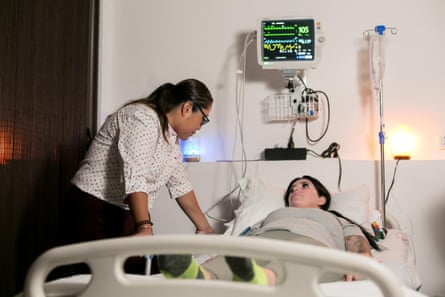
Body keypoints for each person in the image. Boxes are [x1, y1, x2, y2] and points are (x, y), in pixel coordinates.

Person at [59, 78, 215, 274]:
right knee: (103, 280)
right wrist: (144, 226)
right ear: (187, 108)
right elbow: (135, 175)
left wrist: (205, 229)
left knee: (140, 277)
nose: (201, 126)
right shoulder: (142, 119)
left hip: (125, 214)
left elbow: (180, 184)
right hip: (93, 208)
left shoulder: (171, 139)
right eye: (204, 118)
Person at [157, 175, 379, 285]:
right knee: (237, 256)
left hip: (310, 242)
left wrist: (362, 260)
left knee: (305, 258)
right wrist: (214, 257)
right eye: (292, 189)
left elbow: (355, 241)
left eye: (304, 186)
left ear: (322, 198)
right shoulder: (271, 216)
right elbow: (241, 239)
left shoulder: (334, 219)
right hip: (263, 241)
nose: (296, 190)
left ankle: (265, 278)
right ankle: (201, 276)